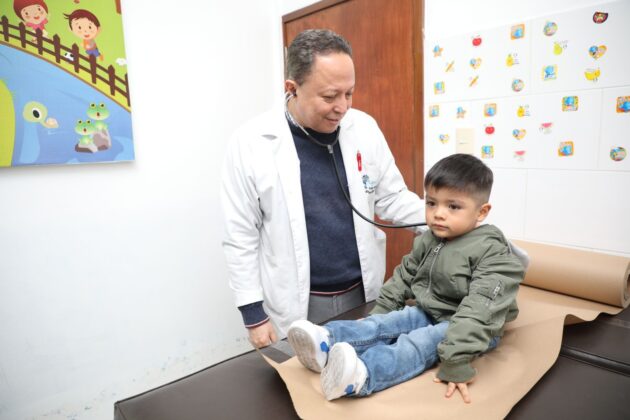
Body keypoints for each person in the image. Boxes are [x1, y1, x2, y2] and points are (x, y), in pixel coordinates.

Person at [221, 29, 424, 349]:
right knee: (304, 374)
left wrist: (441, 218)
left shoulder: (364, 128)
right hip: (299, 301)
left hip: (362, 292)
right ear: (292, 88)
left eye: (349, 93)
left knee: (362, 368)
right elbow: (240, 234)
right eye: (330, 97)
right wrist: (253, 315)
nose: (343, 107)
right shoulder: (251, 143)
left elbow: (392, 197)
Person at [286, 153, 526, 403]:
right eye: (431, 203)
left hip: (468, 326)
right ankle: (326, 341)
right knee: (385, 324)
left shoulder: (492, 252)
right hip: (430, 310)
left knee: (418, 343)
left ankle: (362, 374)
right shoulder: (429, 239)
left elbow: (480, 311)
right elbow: (404, 276)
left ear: (482, 212)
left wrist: (456, 360)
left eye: (453, 206)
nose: (438, 214)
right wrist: (381, 312)